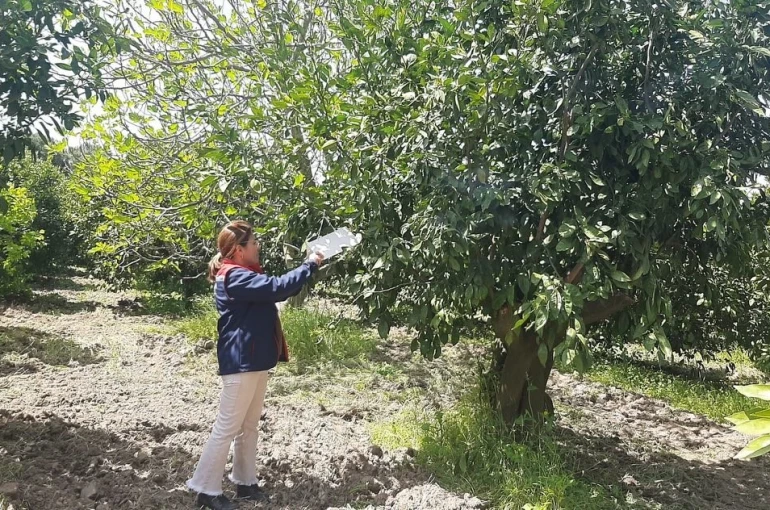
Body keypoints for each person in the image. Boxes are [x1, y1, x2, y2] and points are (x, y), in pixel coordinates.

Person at [187, 220, 324, 510]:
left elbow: (278, 291)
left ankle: (245, 482)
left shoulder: (244, 274)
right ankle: (206, 489)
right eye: (253, 243)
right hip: (241, 363)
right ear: (238, 250)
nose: (258, 246)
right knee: (227, 427)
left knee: (248, 426)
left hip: (254, 361)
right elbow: (277, 287)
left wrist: (307, 268)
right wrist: (310, 263)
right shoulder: (234, 276)